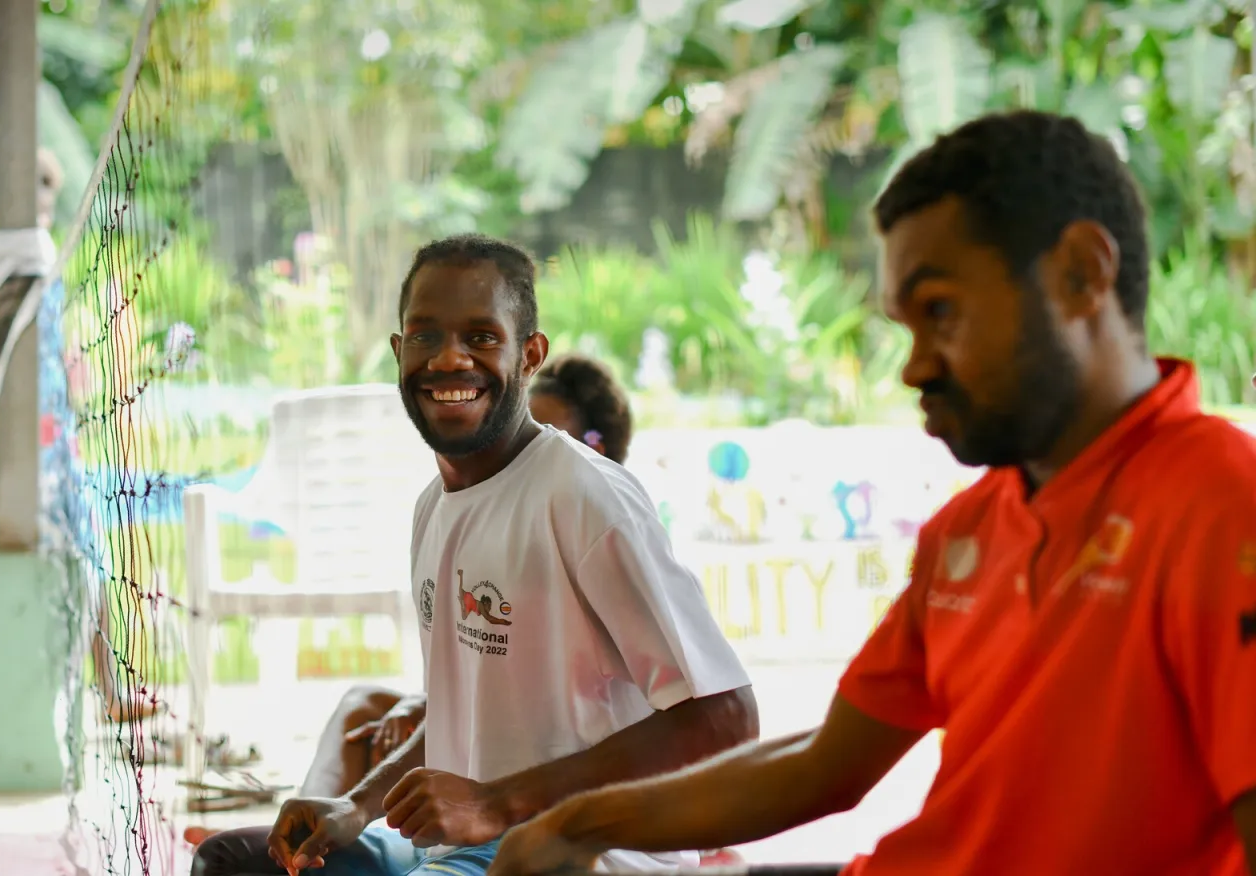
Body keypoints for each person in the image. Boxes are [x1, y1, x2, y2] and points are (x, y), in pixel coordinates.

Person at [487, 110, 1256, 876]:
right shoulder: (970, 528)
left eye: (941, 312)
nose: (913, 368)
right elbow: (827, 765)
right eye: (906, 328)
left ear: (1083, 274)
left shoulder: (1222, 510)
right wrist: (577, 825)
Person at [192, 234, 758, 876]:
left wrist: (497, 802)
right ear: (399, 352)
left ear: (530, 355)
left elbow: (727, 717)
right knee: (231, 863)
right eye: (426, 336)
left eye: (482, 337)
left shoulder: (583, 496)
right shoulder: (433, 506)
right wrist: (355, 804)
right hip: (460, 846)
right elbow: (468, 722)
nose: (450, 359)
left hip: (584, 854)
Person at [182, 352, 638, 848]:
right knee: (366, 711)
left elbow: (564, 702)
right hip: (487, 750)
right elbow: (494, 677)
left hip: (543, 796)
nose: (527, 453)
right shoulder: (457, 509)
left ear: (595, 449)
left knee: (393, 724)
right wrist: (428, 707)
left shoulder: (602, 522)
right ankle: (301, 833)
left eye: (550, 439)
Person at [0, 150, 161, 729]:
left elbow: (66, 361)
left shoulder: (56, 267)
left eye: (42, 192)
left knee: (90, 561)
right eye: (19, 189)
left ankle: (109, 688)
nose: (33, 201)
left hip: (55, 447)